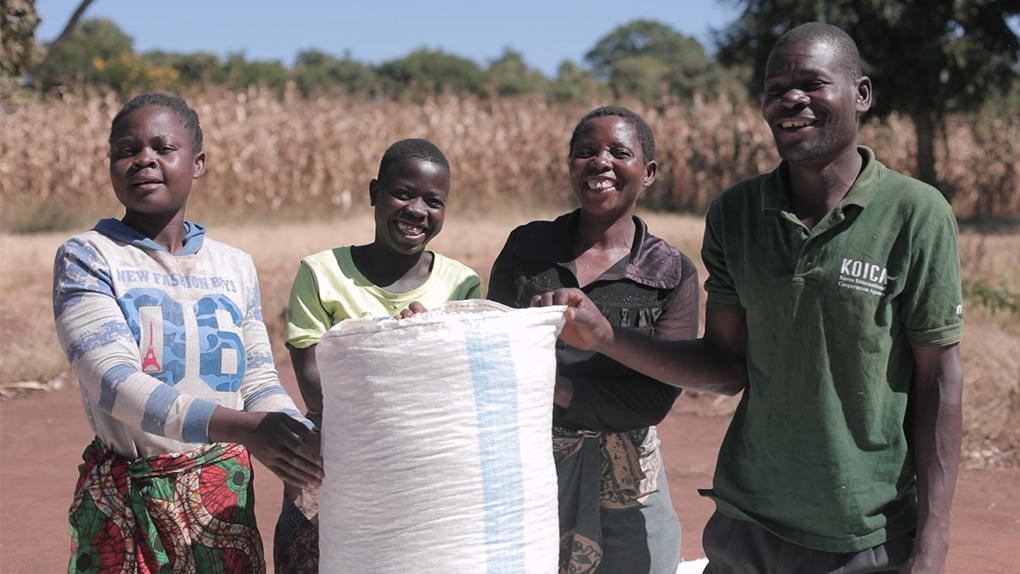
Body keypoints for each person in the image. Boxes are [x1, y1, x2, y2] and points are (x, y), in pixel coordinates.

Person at [533, 23, 964, 574]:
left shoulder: (915, 214)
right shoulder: (736, 213)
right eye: (775, 87)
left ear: (861, 94)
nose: (790, 99)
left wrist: (932, 544)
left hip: (861, 530)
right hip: (747, 522)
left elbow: (939, 379)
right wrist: (605, 337)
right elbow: (724, 366)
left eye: (811, 83)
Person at [52, 93, 324, 574]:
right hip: (128, 502)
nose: (143, 160)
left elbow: (257, 381)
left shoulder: (234, 266)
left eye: (163, 147)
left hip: (221, 502)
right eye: (126, 149)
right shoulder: (89, 256)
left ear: (197, 163)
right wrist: (245, 428)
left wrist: (299, 437)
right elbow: (114, 383)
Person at [487, 105, 700, 574]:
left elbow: (654, 398)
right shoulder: (528, 248)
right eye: (586, 152)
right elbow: (494, 352)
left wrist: (556, 391)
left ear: (648, 172)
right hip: (531, 470)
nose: (600, 162)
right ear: (570, 166)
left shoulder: (671, 272)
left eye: (618, 152)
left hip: (629, 481)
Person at [274, 138, 481, 574]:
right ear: (373, 194)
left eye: (434, 201)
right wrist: (399, 344)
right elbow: (313, 382)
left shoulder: (461, 285)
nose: (416, 210)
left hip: (424, 468)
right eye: (402, 193)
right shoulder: (321, 274)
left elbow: (459, 388)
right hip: (331, 462)